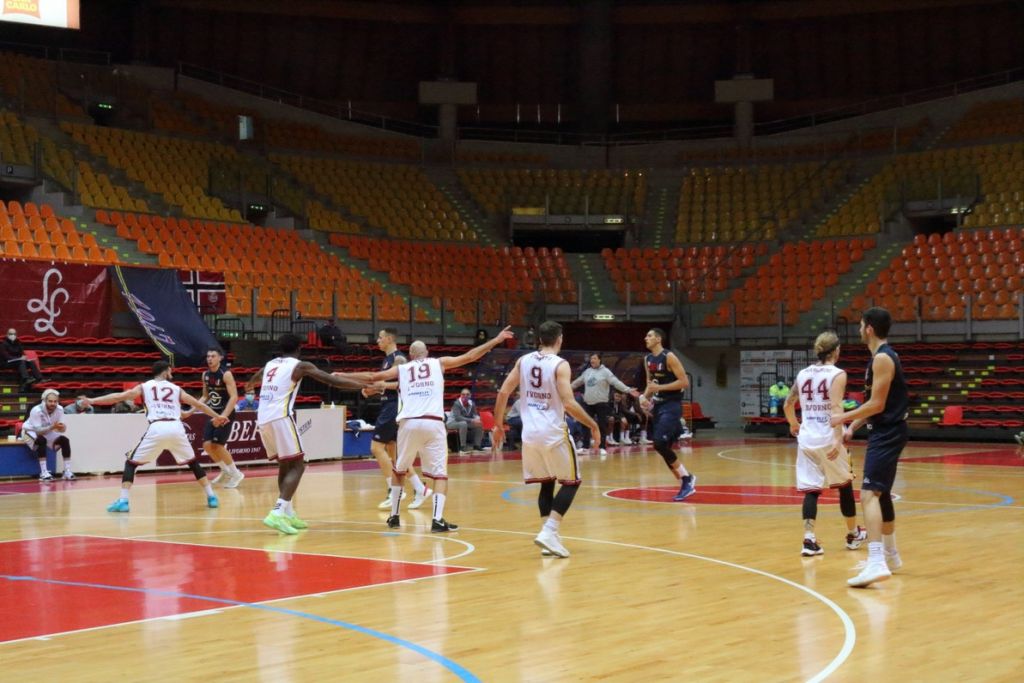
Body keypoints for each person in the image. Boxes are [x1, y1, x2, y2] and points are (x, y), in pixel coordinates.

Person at [372, 326, 513, 532]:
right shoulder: (438, 363)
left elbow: (372, 377)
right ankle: (437, 520)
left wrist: (338, 376)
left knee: (399, 469)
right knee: (439, 475)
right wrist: (496, 340)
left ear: (410, 355)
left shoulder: (403, 370)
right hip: (433, 422)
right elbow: (471, 355)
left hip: (408, 423)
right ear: (427, 353)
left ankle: (394, 516)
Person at [491, 320, 601, 558]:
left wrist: (498, 426)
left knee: (547, 481)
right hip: (552, 432)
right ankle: (550, 530)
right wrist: (592, 425)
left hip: (529, 434)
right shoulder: (560, 365)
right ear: (560, 339)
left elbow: (503, 392)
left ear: (539, 339)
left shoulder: (523, 360)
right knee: (572, 481)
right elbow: (570, 404)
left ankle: (548, 536)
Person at [246, 333, 370, 535]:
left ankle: (288, 512)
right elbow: (330, 380)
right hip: (281, 417)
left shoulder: (271, 364)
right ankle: (277, 512)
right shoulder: (299, 366)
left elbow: (258, 374)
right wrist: (362, 385)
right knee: (298, 465)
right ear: (299, 348)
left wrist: (250, 383)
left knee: (285, 464)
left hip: (263, 419)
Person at [831, 307, 910, 588]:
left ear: (869, 329)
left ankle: (876, 561)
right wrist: (854, 427)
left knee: (868, 494)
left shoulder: (883, 359)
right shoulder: (880, 359)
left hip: (887, 433)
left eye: (860, 325)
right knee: (882, 494)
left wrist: (843, 417)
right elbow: (878, 404)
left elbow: (877, 405)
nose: (858, 329)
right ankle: (891, 555)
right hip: (886, 429)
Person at [87, 361, 227, 512]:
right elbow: (199, 405)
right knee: (193, 463)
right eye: (170, 370)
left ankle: (123, 501)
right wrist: (218, 416)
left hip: (157, 426)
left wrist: (93, 400)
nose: (171, 373)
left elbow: (119, 396)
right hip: (176, 427)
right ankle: (211, 496)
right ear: (166, 371)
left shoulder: (145, 386)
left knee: (131, 463)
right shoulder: (176, 389)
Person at [783, 331, 866, 557]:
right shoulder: (838, 374)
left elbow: (788, 404)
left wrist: (793, 424)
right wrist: (838, 439)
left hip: (807, 439)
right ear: (836, 350)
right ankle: (852, 535)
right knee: (845, 485)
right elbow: (836, 409)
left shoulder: (803, 374)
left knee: (811, 491)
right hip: (828, 437)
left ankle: (809, 539)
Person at [363, 328, 432, 512]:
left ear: (390, 338)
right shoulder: (387, 360)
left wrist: (381, 386)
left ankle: (392, 491)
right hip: (389, 405)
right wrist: (374, 390)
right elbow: (389, 385)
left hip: (393, 408)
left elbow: (403, 384)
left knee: (376, 448)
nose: (377, 340)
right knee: (395, 454)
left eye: (380, 337)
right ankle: (420, 488)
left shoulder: (398, 358)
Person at [643, 328, 697, 501]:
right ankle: (685, 479)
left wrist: (659, 388)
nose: (646, 338)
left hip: (672, 405)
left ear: (658, 339)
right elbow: (651, 384)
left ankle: (687, 479)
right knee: (662, 446)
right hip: (658, 406)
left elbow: (684, 382)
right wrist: (645, 397)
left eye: (649, 336)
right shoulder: (648, 359)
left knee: (658, 442)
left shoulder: (669, 357)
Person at [194, 348, 244, 488]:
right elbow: (205, 396)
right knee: (207, 445)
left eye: (213, 356)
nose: (209, 358)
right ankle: (225, 471)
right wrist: (191, 410)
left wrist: (223, 416)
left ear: (220, 358)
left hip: (226, 413)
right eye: (208, 356)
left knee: (218, 445)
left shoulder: (226, 374)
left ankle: (236, 474)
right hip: (213, 413)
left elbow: (234, 397)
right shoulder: (205, 375)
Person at [571, 353, 636, 455]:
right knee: (585, 424)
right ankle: (585, 447)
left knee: (602, 425)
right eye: (591, 358)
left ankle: (602, 447)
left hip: (601, 403)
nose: (592, 360)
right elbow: (577, 382)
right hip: (588, 403)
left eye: (594, 358)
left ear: (599, 360)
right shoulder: (587, 372)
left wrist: (627, 389)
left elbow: (615, 382)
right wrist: (566, 388)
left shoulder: (605, 372)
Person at [24, 389, 72, 481]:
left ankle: (67, 471)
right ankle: (43, 472)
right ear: (44, 400)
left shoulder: (60, 409)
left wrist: (62, 428)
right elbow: (38, 431)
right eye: (50, 401)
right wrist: (52, 427)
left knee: (65, 440)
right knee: (41, 440)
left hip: (47, 430)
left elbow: (62, 429)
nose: (53, 403)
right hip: (30, 431)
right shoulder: (36, 410)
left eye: (55, 401)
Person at [448, 388, 484, 453]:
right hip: (452, 422)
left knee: (479, 424)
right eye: (463, 394)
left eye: (467, 394)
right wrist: (472, 420)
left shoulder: (472, 403)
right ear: (460, 395)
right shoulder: (457, 404)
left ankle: (477, 446)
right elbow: (458, 418)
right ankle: (462, 447)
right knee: (463, 424)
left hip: (465, 422)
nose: (465, 396)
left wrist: (477, 419)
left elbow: (474, 414)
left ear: (470, 395)